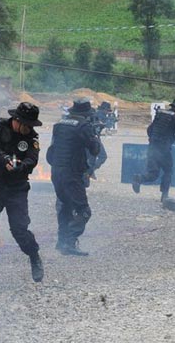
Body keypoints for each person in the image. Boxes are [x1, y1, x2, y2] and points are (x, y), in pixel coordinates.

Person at [0, 101, 44, 288]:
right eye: (26, 125)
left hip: (17, 188)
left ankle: (34, 256)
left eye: (31, 126)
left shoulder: (32, 138)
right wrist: (4, 159)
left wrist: (22, 166)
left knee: (19, 230)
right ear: (17, 120)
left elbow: (33, 158)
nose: (28, 129)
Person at [46, 99, 102, 256]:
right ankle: (68, 241)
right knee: (84, 211)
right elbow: (95, 150)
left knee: (65, 206)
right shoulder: (83, 126)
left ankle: (61, 242)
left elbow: (54, 149)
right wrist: (95, 134)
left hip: (56, 172)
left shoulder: (59, 124)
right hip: (72, 174)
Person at [132, 98, 175, 202]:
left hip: (152, 147)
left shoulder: (160, 114)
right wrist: (170, 139)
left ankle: (139, 178)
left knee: (153, 174)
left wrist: (153, 139)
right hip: (164, 149)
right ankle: (164, 196)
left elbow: (149, 130)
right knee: (168, 171)